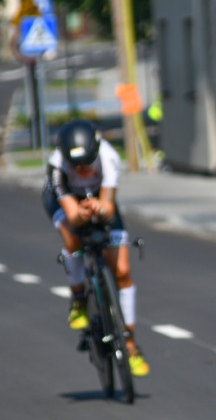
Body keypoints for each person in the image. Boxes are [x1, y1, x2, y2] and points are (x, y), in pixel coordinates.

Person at [42, 119, 150, 378]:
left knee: (122, 271)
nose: (83, 170)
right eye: (76, 166)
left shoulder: (109, 157)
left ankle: (131, 343)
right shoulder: (57, 165)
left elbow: (109, 207)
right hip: (65, 203)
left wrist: (99, 208)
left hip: (98, 199)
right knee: (73, 240)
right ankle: (79, 297)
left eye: (88, 164)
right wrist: (81, 214)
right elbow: (72, 214)